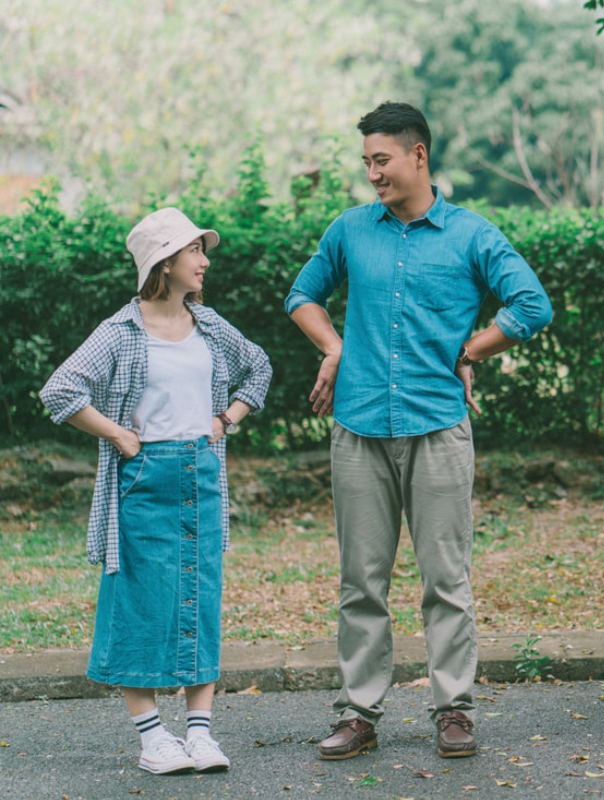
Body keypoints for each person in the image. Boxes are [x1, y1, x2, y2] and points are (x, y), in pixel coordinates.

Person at [286, 101, 552, 760]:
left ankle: (453, 710)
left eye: (382, 160)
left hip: (438, 427)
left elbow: (531, 304)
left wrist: (472, 350)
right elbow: (302, 297)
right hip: (358, 429)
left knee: (445, 579)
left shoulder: (470, 235)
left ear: (418, 156)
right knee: (361, 582)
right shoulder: (350, 230)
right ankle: (358, 713)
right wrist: (335, 348)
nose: (373, 173)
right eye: (367, 162)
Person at [40, 208, 272, 775]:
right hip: (145, 476)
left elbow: (259, 368)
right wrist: (118, 433)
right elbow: (59, 390)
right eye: (195, 251)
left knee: (201, 595)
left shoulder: (211, 325)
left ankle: (200, 734)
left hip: (202, 471)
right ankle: (152, 738)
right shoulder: (121, 330)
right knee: (140, 603)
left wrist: (226, 420)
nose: (204, 261)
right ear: (165, 262)